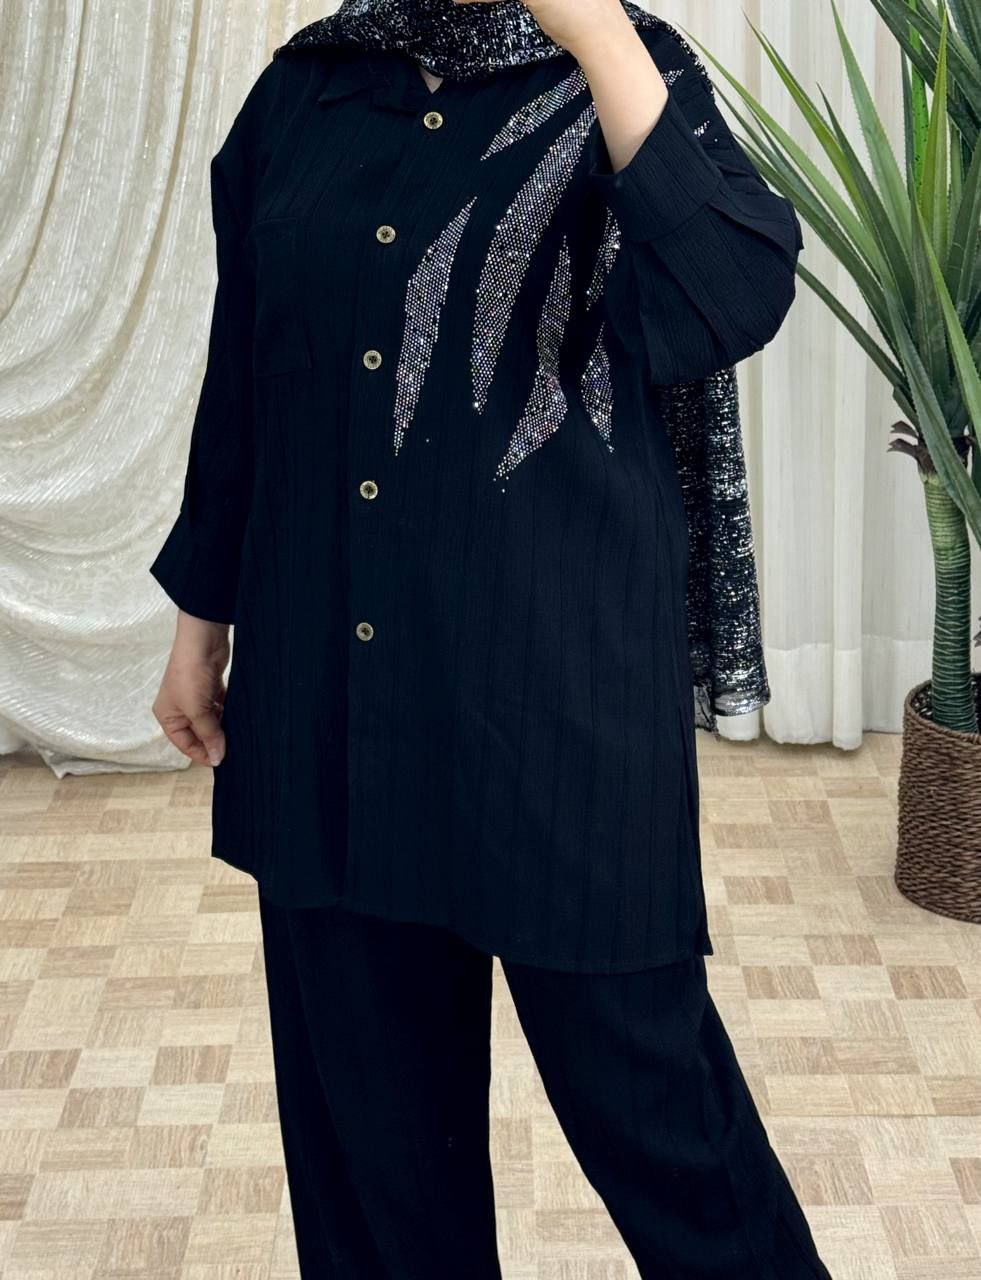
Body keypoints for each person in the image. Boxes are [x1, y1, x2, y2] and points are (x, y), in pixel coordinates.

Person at [149, 0, 833, 1275]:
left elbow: (733, 295)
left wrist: (598, 35)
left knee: (671, 1137)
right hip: (332, 706)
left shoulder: (628, 74)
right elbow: (249, 376)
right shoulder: (305, 92)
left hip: (555, 708)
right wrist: (201, 617)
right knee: (374, 1179)